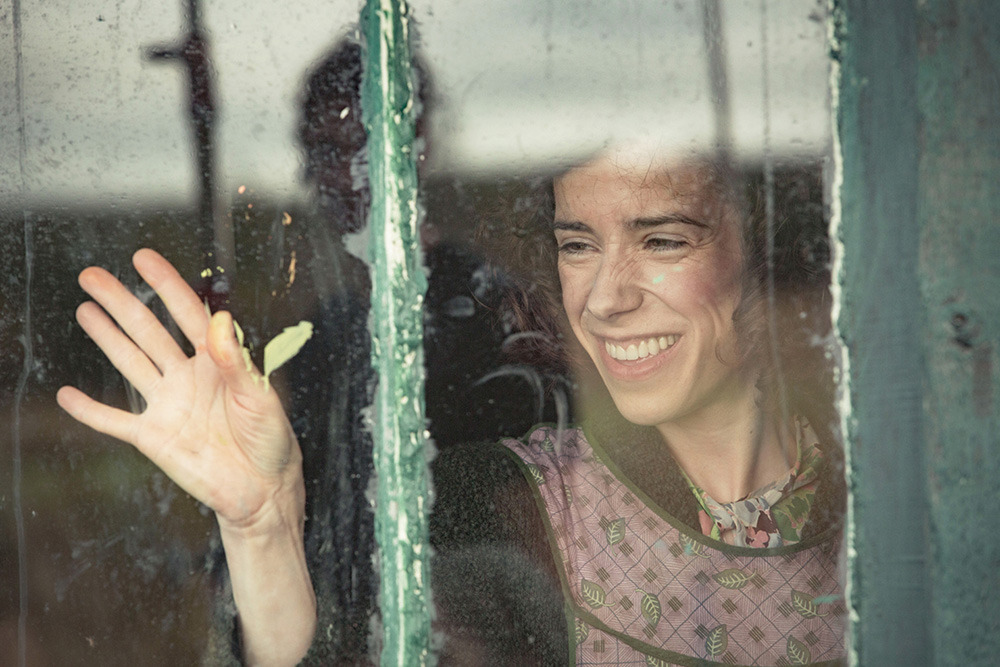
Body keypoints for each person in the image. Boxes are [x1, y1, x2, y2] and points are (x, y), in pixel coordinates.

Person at [57, 140, 845, 665]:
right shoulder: (500, 499)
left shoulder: (884, 488)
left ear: (755, 253)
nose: (606, 298)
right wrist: (264, 529)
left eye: (663, 240)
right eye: (578, 245)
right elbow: (360, 646)